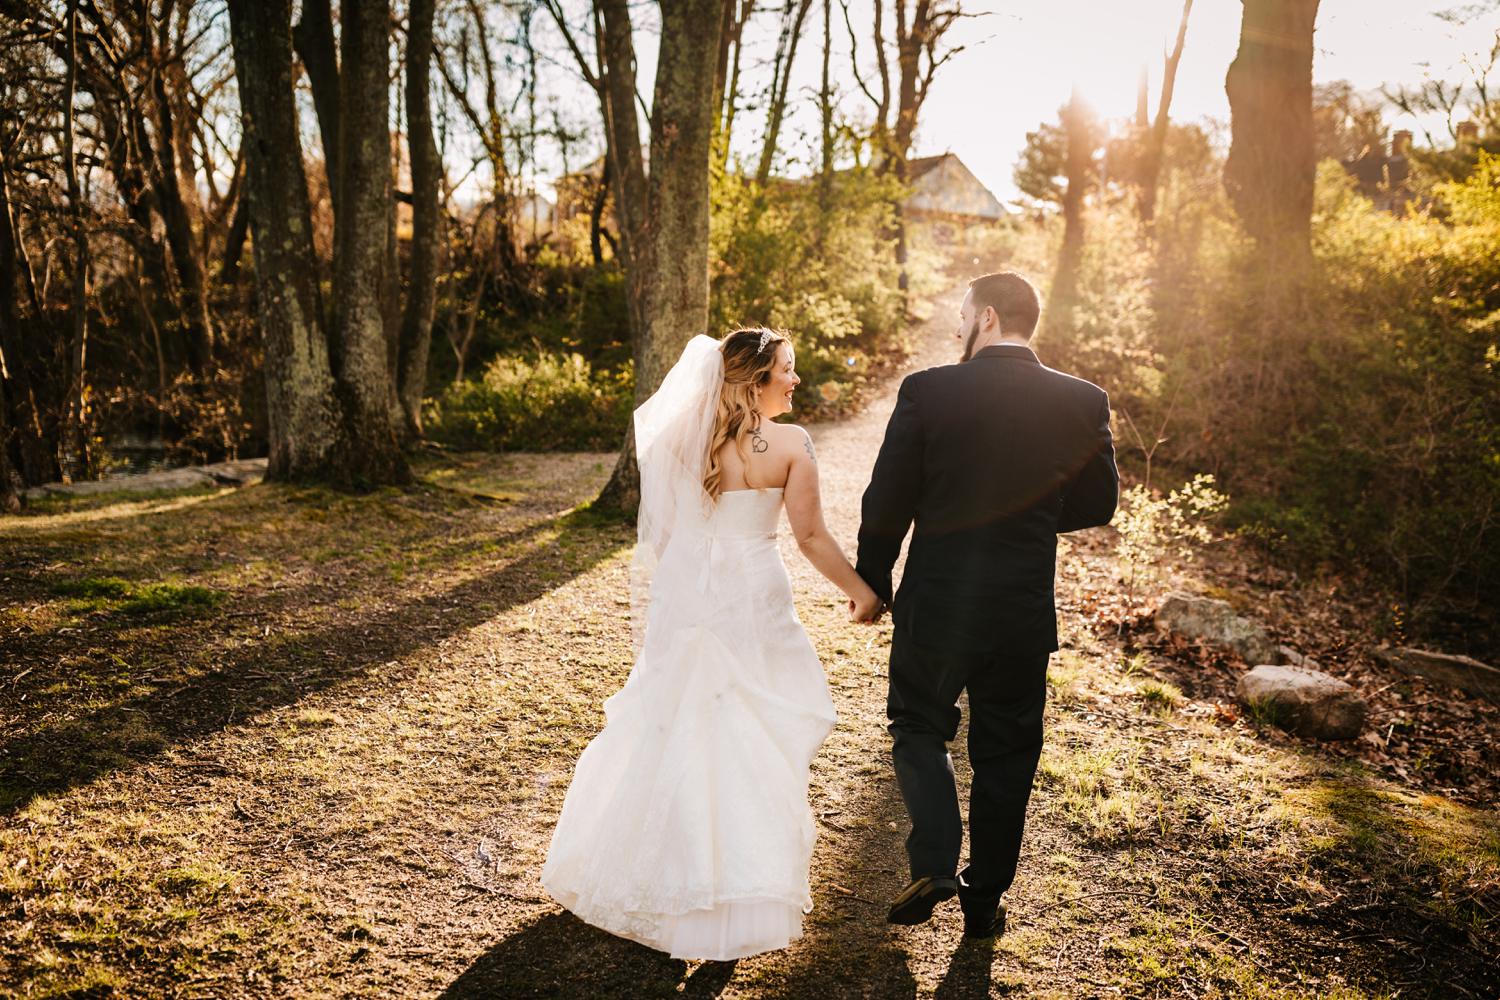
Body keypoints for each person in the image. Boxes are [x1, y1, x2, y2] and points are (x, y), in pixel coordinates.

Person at [542, 328, 882, 961]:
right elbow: (809, 537)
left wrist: (682, 592)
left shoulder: (682, 437)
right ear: (756, 380)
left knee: (672, 721)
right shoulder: (790, 444)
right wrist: (861, 591)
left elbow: (667, 532)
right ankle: (733, 888)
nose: (796, 380)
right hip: (752, 593)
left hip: (689, 593)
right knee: (747, 729)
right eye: (787, 368)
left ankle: (644, 870)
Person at [854, 271, 1118, 939]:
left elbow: (887, 500)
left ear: (990, 317)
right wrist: (1024, 518)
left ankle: (937, 861)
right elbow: (1099, 504)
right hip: (1020, 612)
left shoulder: (929, 391)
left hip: (936, 605)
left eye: (963, 315)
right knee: (1007, 754)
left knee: (919, 724)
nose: (956, 328)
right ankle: (984, 898)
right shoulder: (1084, 399)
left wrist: (874, 581)